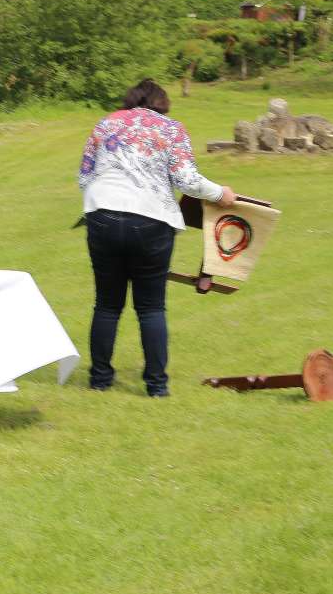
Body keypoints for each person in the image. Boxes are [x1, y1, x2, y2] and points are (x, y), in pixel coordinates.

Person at [77, 78, 238, 396]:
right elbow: (186, 179)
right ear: (162, 103)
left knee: (107, 304)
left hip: (101, 216)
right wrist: (221, 194)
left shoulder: (106, 122)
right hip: (151, 220)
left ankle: (99, 380)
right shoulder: (171, 128)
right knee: (151, 308)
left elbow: (85, 175)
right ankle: (156, 386)